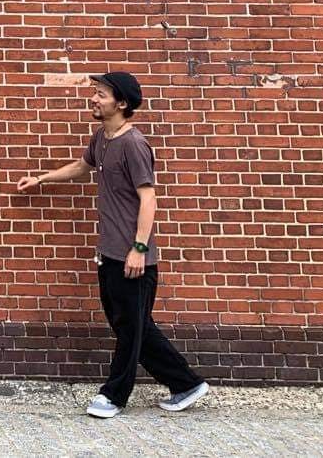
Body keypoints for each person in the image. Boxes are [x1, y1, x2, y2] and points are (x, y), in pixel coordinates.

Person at [16, 71, 209, 418]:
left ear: (121, 103)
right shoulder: (102, 138)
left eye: (101, 94)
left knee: (131, 329)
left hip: (133, 256)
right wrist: (41, 178)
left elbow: (148, 199)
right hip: (110, 252)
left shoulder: (134, 144)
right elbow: (81, 166)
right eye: (96, 93)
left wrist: (139, 248)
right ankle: (186, 383)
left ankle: (113, 396)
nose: (93, 99)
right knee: (132, 326)